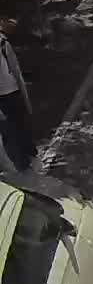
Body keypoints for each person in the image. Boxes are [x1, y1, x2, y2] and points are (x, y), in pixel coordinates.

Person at [0, 19, 34, 171]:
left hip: (12, 91)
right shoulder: (3, 42)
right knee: (11, 131)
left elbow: (16, 70)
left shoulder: (3, 43)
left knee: (20, 125)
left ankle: (28, 156)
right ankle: (22, 162)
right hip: (5, 95)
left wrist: (25, 98)